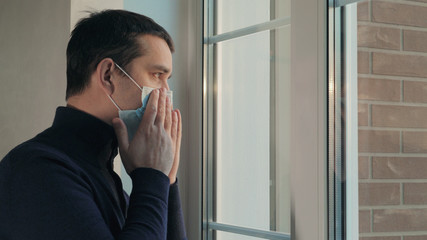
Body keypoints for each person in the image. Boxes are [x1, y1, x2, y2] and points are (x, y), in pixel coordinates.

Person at [0, 9, 187, 240]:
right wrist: (152, 176)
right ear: (108, 75)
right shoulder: (36, 170)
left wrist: (166, 181)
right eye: (157, 75)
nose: (166, 93)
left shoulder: (104, 175)